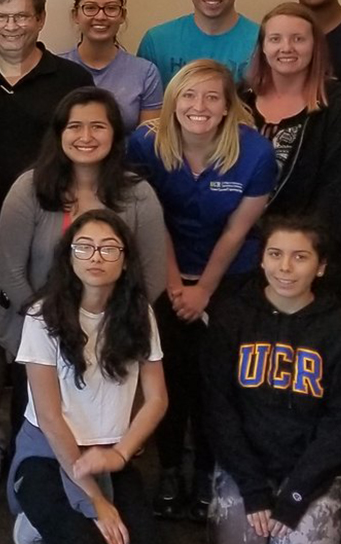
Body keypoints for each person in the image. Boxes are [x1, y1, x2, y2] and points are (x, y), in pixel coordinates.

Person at [0, 0, 94, 485]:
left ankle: (45, 435)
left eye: (22, 16)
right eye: (2, 17)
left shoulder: (71, 80)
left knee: (51, 335)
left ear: (41, 20)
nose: (11, 26)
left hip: (54, 236)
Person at [125, 59, 276, 521]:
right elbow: (152, 220)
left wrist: (204, 289)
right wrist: (174, 285)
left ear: (228, 106)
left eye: (212, 97)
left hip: (230, 276)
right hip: (162, 269)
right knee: (168, 374)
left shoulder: (255, 152)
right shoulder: (145, 144)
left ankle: (210, 471)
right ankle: (170, 470)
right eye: (189, 95)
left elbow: (237, 231)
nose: (200, 106)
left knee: (217, 378)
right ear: (172, 102)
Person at [203, 216, 341, 544]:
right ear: (262, 259)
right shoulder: (231, 317)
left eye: (300, 257)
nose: (285, 267)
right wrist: (252, 488)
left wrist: (296, 493)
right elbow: (218, 409)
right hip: (245, 466)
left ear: (321, 267)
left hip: (318, 473)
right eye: (275, 254)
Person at [8, 209, 166, 544]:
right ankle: (33, 524)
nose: (96, 256)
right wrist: (95, 500)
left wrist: (120, 454)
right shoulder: (42, 316)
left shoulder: (140, 313)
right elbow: (49, 418)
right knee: (83, 537)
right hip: (48, 454)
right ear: (70, 257)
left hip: (107, 454)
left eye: (109, 248)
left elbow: (157, 399)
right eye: (84, 247)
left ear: (125, 260)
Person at [0, 87, 168, 353]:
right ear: (59, 133)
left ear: (115, 133)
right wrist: (51, 326)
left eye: (98, 126)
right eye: (74, 126)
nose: (86, 137)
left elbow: (153, 276)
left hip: (115, 336)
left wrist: (107, 325)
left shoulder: (139, 193)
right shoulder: (28, 189)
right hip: (39, 335)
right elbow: (10, 274)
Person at [241, 3, 341, 284]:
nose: (286, 48)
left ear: (316, 47)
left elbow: (340, 196)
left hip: (307, 262)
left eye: (298, 39)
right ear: (263, 47)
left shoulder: (337, 110)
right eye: (275, 39)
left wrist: (294, 253)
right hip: (239, 257)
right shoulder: (240, 102)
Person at [57, 0, 164, 123]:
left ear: (122, 15)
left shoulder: (145, 73)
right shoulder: (56, 69)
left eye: (111, 8)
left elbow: (148, 135)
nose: (100, 16)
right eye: (90, 8)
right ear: (75, 15)